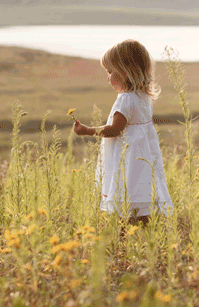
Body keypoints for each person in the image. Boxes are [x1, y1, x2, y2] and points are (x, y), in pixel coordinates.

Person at [73, 39, 173, 227]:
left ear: (126, 72)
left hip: (127, 158)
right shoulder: (143, 97)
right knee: (141, 192)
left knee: (124, 193)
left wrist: (88, 130)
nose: (108, 77)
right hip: (143, 157)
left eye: (110, 72)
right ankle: (145, 229)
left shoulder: (125, 100)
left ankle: (124, 236)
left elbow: (115, 129)